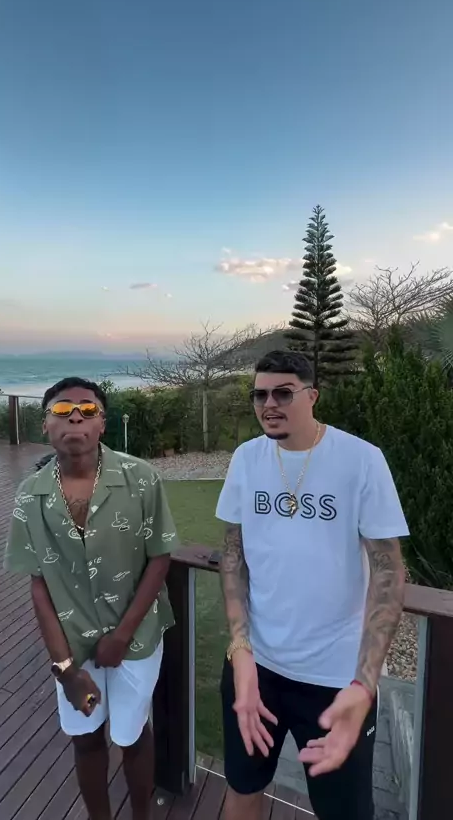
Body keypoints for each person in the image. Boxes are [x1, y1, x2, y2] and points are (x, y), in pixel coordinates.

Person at [217, 350, 408, 820]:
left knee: (344, 811)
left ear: (312, 396)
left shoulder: (361, 460)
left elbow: (388, 571)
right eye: (260, 394)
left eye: (283, 393)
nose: (269, 404)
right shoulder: (247, 458)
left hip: (335, 679)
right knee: (242, 785)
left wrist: (365, 683)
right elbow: (233, 557)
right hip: (256, 671)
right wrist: (241, 652)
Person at [5, 377, 179, 820]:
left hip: (136, 637)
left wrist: (121, 636)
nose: (75, 417)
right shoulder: (30, 496)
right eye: (62, 410)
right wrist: (65, 669)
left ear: (102, 423)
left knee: (132, 735)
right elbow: (39, 584)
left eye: (87, 409)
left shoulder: (142, 479)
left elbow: (159, 558)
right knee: (85, 739)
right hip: (72, 643)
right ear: (45, 424)